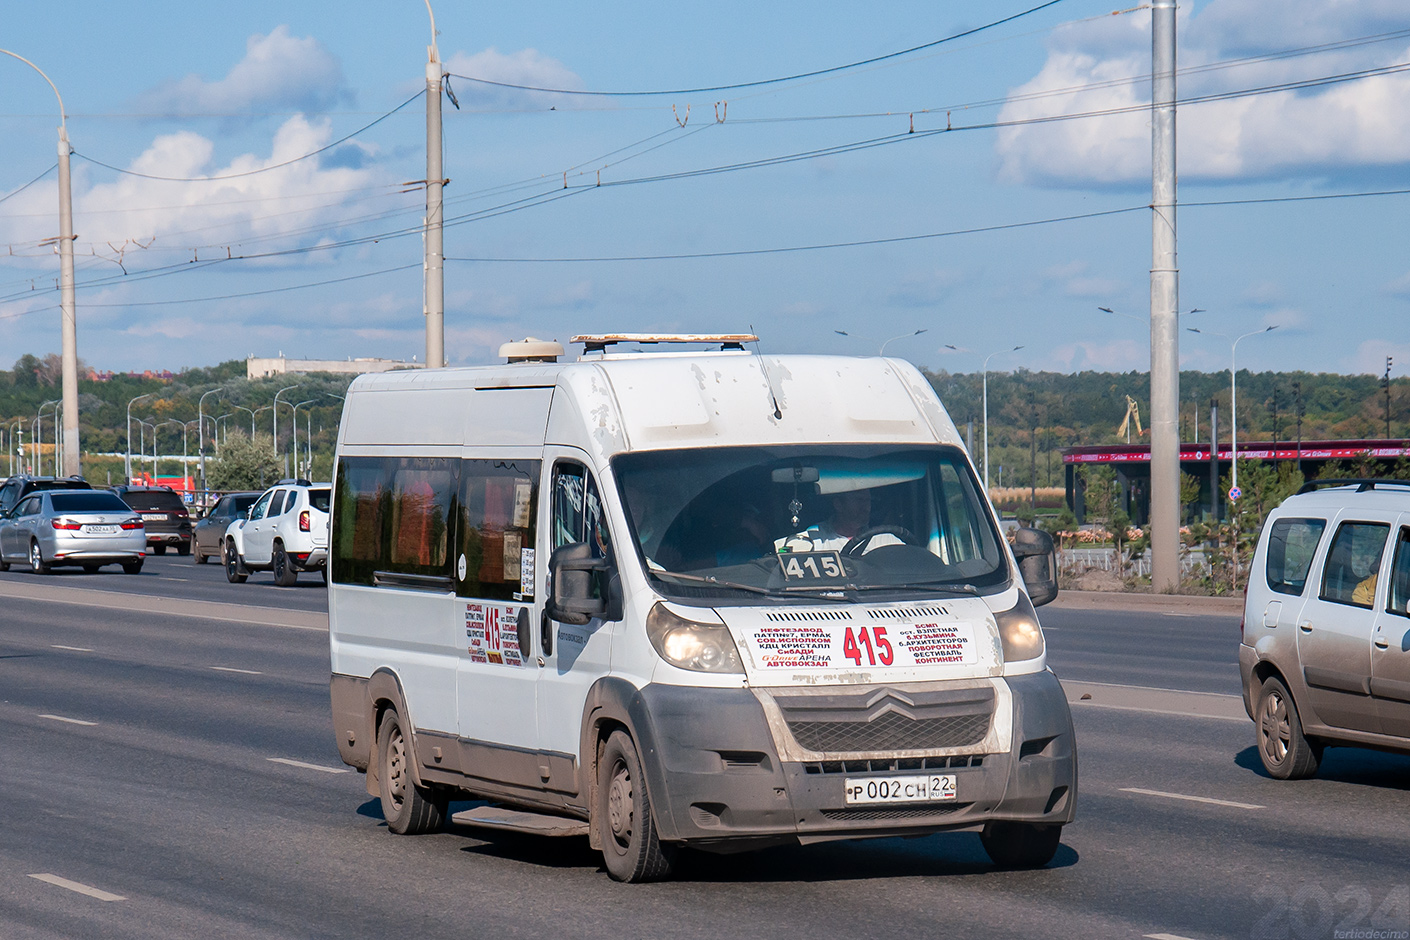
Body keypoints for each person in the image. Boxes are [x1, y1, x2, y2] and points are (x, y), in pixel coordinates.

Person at [775, 488, 902, 553]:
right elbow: (784, 554)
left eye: (868, 501)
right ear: (838, 504)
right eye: (859, 500)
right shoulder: (814, 538)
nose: (866, 507)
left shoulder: (886, 540)